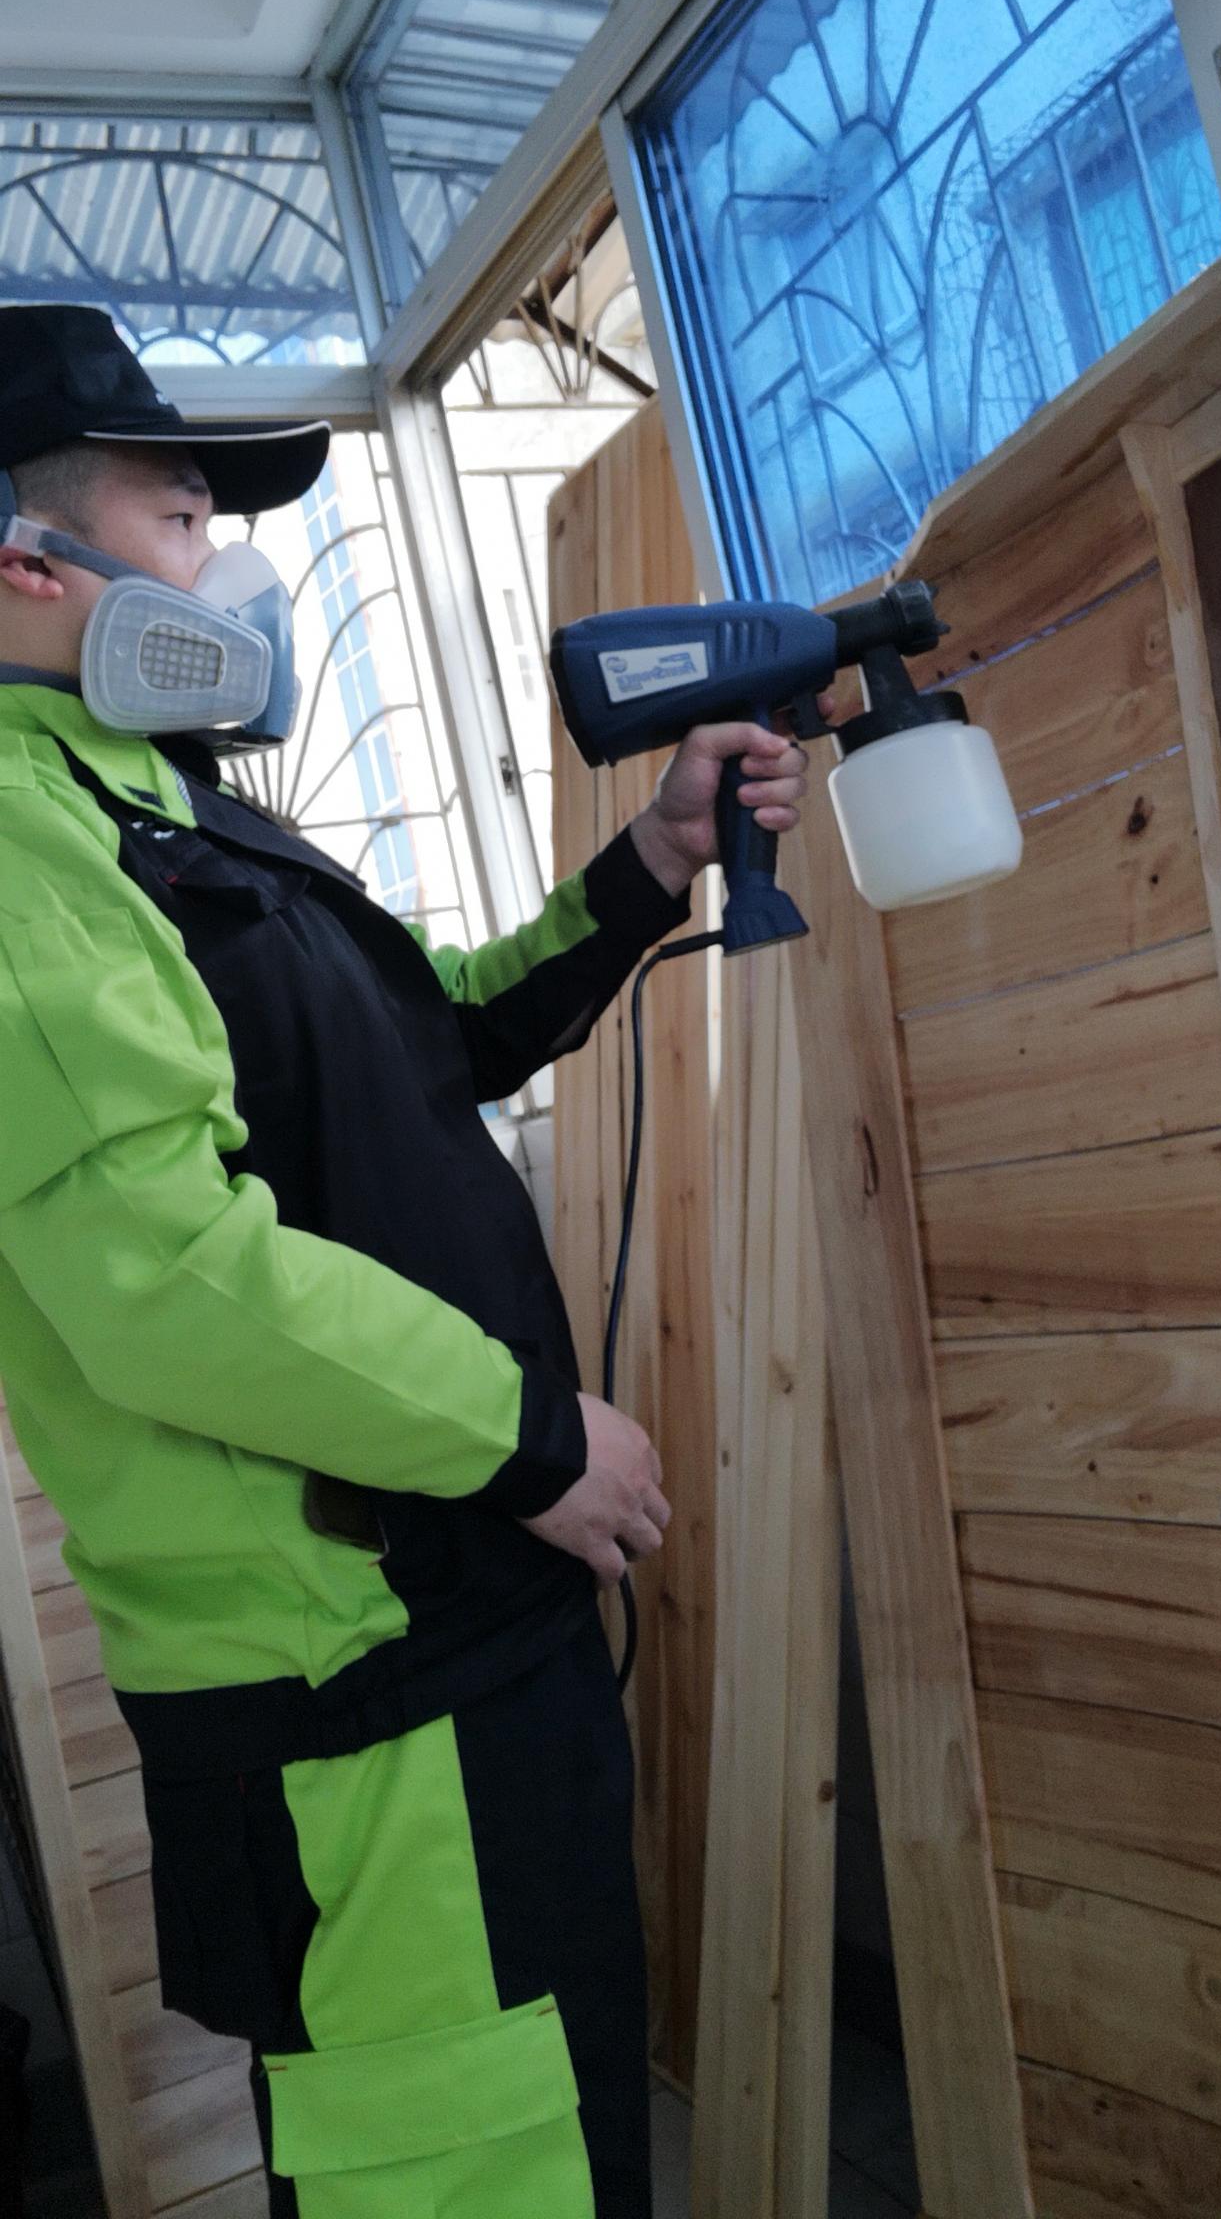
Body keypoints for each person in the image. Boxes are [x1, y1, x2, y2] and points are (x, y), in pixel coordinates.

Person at [0, 305, 818, 2219]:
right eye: (184, 516)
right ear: (26, 560)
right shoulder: (21, 853)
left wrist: (648, 868)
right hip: (358, 1691)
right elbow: (171, 1279)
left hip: (461, 1627)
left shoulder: (163, 805)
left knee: (555, 2129)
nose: (225, 565)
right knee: (465, 2171)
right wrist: (536, 1439)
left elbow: (425, 1035)